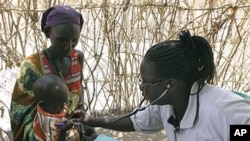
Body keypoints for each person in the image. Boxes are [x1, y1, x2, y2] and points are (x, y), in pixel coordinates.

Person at [71, 30, 250, 140]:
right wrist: (91, 120)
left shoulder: (228, 115)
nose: (142, 88)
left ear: (169, 85)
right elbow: (135, 121)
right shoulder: (169, 104)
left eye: (145, 82)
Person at [10, 5, 90, 140]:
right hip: (44, 130)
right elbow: (20, 113)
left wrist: (81, 116)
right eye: (62, 40)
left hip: (72, 126)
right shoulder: (31, 66)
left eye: (74, 40)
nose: (69, 47)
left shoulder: (78, 57)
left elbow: (79, 90)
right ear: (48, 33)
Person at [32, 74, 79, 141]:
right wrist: (63, 131)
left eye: (64, 102)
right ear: (43, 104)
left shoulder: (51, 106)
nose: (63, 107)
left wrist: (71, 115)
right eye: (60, 106)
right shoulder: (48, 123)